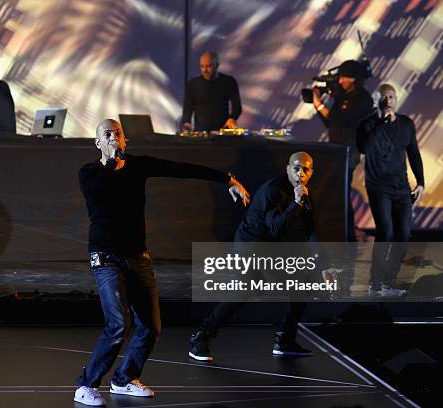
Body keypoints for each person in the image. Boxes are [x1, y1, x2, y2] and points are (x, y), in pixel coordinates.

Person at [74, 119, 250, 406]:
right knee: (119, 323)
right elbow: (100, 193)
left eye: (118, 134)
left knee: (151, 326)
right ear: (98, 143)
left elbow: (180, 169)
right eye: (107, 135)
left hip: (138, 256)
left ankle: (124, 379)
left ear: (125, 139)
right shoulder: (89, 173)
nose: (113, 138)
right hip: (106, 257)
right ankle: (86, 385)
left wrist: (226, 180)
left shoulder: (138, 165)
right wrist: (113, 162)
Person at [189, 152, 318, 362]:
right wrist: (296, 203)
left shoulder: (304, 194)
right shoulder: (273, 190)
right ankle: (201, 338)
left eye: (306, 169)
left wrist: (325, 265)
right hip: (250, 244)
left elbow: (312, 229)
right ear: (287, 170)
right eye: (296, 168)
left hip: (269, 247)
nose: (300, 173)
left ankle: (285, 341)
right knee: (243, 290)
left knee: (301, 285)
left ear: (311, 172)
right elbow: (276, 227)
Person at [356, 83, 425, 296]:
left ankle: (389, 282)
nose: (388, 101)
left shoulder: (406, 124)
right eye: (384, 97)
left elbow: (413, 153)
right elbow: (364, 149)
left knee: (403, 234)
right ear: (377, 100)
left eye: (392, 97)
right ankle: (374, 284)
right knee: (386, 231)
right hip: (378, 186)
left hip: (401, 187)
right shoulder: (366, 125)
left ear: (396, 99)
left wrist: (421, 182)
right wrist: (380, 124)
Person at [312, 60, 373, 241]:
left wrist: (320, 104)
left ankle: (347, 233)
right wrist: (318, 105)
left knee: (342, 192)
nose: (340, 82)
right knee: (338, 192)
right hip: (336, 151)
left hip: (348, 152)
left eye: (344, 78)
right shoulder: (343, 97)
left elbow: (342, 122)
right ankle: (342, 231)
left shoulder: (362, 99)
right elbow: (331, 123)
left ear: (353, 79)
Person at [182, 51, 242, 132]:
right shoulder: (193, 84)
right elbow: (187, 107)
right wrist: (187, 122)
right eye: (202, 66)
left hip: (223, 131)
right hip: (201, 132)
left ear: (217, 65)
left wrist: (232, 118)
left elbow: (237, 107)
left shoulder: (229, 82)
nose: (205, 70)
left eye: (208, 66)